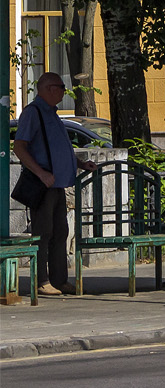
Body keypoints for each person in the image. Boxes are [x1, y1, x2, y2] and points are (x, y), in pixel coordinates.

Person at [13, 73, 96, 296]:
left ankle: (60, 280)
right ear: (49, 88)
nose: (63, 91)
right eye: (61, 87)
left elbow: (59, 149)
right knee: (43, 232)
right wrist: (40, 173)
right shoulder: (34, 113)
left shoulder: (53, 114)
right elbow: (19, 147)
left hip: (57, 184)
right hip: (44, 185)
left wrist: (80, 164)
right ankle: (42, 280)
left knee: (61, 231)